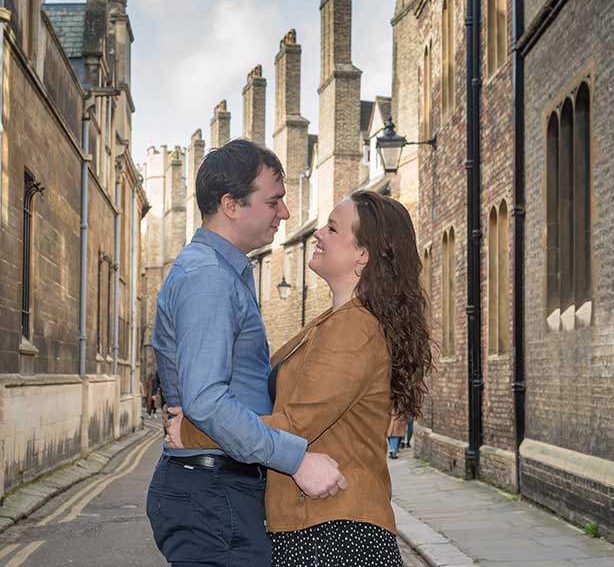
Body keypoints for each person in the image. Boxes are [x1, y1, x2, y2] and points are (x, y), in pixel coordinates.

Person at [168, 190, 431, 567]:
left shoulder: (354, 329)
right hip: (319, 525)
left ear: (363, 253)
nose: (319, 233)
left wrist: (191, 431)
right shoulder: (333, 323)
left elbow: (293, 426)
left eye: (333, 228)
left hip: (336, 535)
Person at [146, 139, 347, 567]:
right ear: (232, 205)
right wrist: (296, 460)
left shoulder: (221, 273)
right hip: (213, 493)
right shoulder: (210, 280)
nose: (286, 215)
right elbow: (206, 400)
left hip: (217, 489)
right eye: (274, 202)